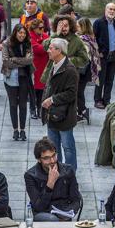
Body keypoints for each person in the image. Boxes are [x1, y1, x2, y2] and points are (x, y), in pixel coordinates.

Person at [40, 38, 79, 171]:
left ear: (59, 51)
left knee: (68, 148)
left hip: (65, 116)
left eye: (51, 48)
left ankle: (70, 173)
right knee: (53, 148)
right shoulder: (54, 65)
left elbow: (71, 93)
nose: (48, 51)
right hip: (52, 115)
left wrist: (52, 99)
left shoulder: (70, 70)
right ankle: (57, 171)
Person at [1, 24, 33, 141]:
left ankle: (23, 130)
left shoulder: (28, 43)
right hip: (10, 78)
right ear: (15, 33)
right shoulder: (6, 43)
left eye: (24, 33)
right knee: (13, 104)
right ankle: (15, 129)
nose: (22, 35)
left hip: (24, 77)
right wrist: (22, 61)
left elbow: (30, 60)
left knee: (23, 105)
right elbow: (6, 62)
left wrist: (14, 59)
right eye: (20, 33)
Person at [41, 15, 89, 83]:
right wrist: (56, 34)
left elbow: (85, 59)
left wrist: (68, 61)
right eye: (61, 26)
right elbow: (45, 46)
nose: (63, 28)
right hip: (52, 75)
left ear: (70, 26)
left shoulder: (76, 40)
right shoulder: (55, 37)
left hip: (68, 76)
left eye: (66, 26)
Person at [93, 2, 115, 109]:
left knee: (110, 80)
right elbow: (93, 39)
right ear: (105, 10)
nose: (112, 11)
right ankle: (97, 100)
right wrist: (98, 51)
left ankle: (106, 100)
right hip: (102, 56)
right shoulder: (98, 22)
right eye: (110, 9)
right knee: (100, 79)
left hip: (113, 55)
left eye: (114, 9)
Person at [76, 17, 101, 123]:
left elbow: (85, 56)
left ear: (83, 27)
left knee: (78, 91)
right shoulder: (90, 37)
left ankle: (83, 111)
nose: (76, 27)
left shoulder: (84, 39)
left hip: (83, 70)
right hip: (85, 70)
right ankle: (81, 112)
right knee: (78, 91)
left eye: (78, 25)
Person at [29, 18, 50, 119]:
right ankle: (33, 109)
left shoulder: (45, 36)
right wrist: (46, 46)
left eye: (43, 28)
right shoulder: (30, 37)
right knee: (33, 91)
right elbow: (38, 49)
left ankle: (40, 108)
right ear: (34, 28)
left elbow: (48, 47)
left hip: (44, 67)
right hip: (34, 68)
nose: (43, 30)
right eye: (40, 28)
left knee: (42, 90)